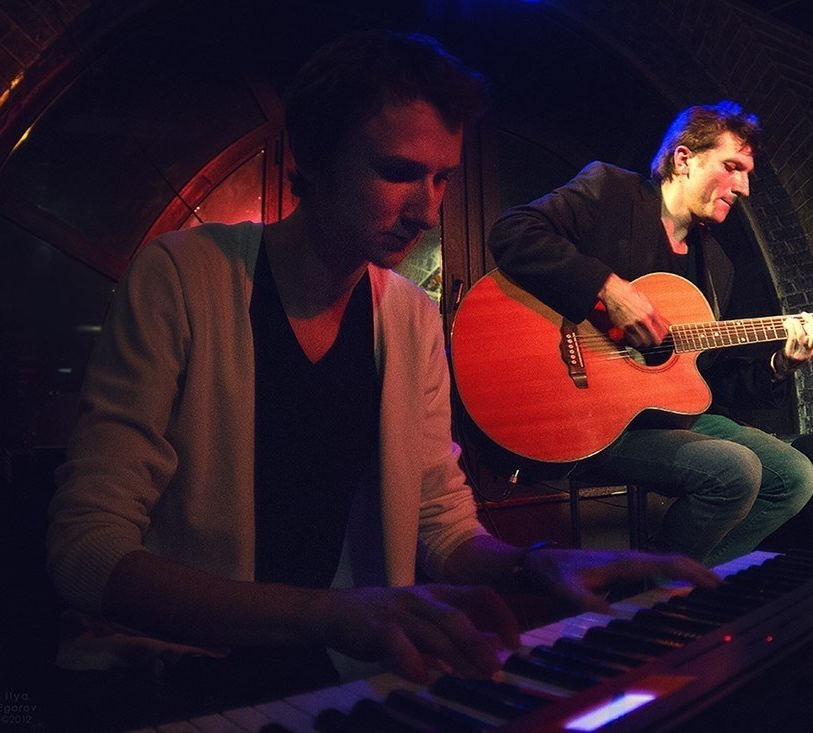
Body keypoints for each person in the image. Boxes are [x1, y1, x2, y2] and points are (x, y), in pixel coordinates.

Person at [45, 30, 717, 728]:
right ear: (312, 158)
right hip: (170, 675)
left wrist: (535, 563)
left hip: (327, 676)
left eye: (442, 178)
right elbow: (87, 549)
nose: (428, 211)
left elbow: (441, 525)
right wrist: (329, 613)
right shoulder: (181, 277)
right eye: (398, 172)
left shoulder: (410, 317)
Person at [486, 101, 813, 567]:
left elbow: (708, 383)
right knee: (736, 469)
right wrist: (607, 288)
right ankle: (654, 587)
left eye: (748, 174)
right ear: (684, 159)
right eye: (732, 167)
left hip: (662, 418)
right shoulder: (611, 192)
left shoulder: (716, 268)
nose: (744, 187)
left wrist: (780, 365)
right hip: (582, 416)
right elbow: (513, 231)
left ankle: (682, 580)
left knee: (796, 476)